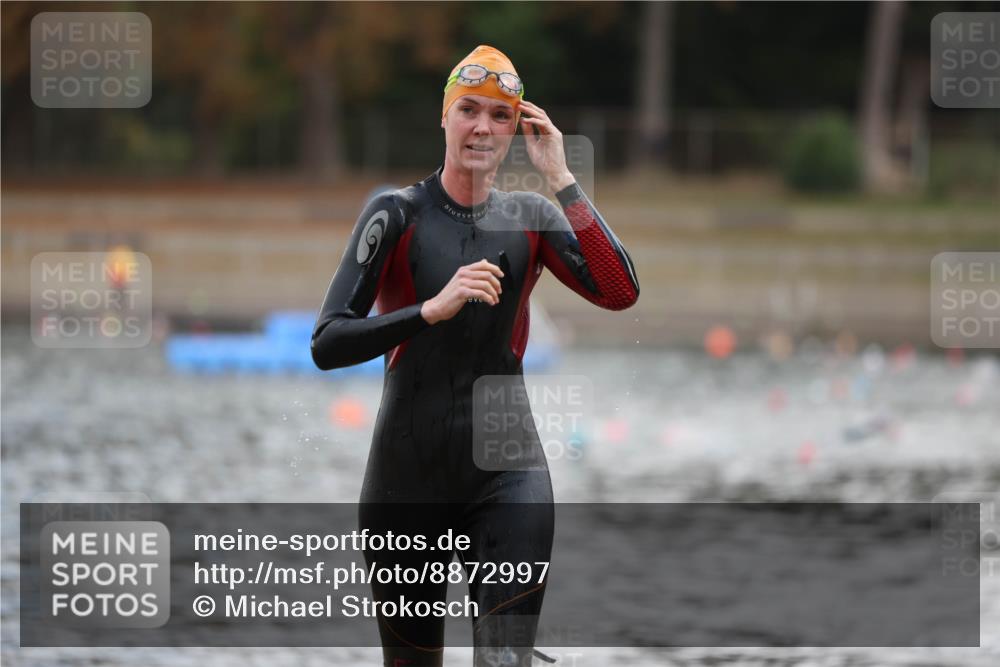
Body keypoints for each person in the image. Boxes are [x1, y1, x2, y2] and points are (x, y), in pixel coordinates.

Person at [311, 44, 639, 667]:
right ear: (444, 116)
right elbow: (328, 341)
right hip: (406, 485)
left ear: (516, 129)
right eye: (468, 110)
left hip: (507, 474)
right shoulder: (397, 213)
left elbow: (621, 292)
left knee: (504, 663)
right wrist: (428, 311)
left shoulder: (533, 218)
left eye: (499, 116)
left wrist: (563, 180)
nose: (482, 128)